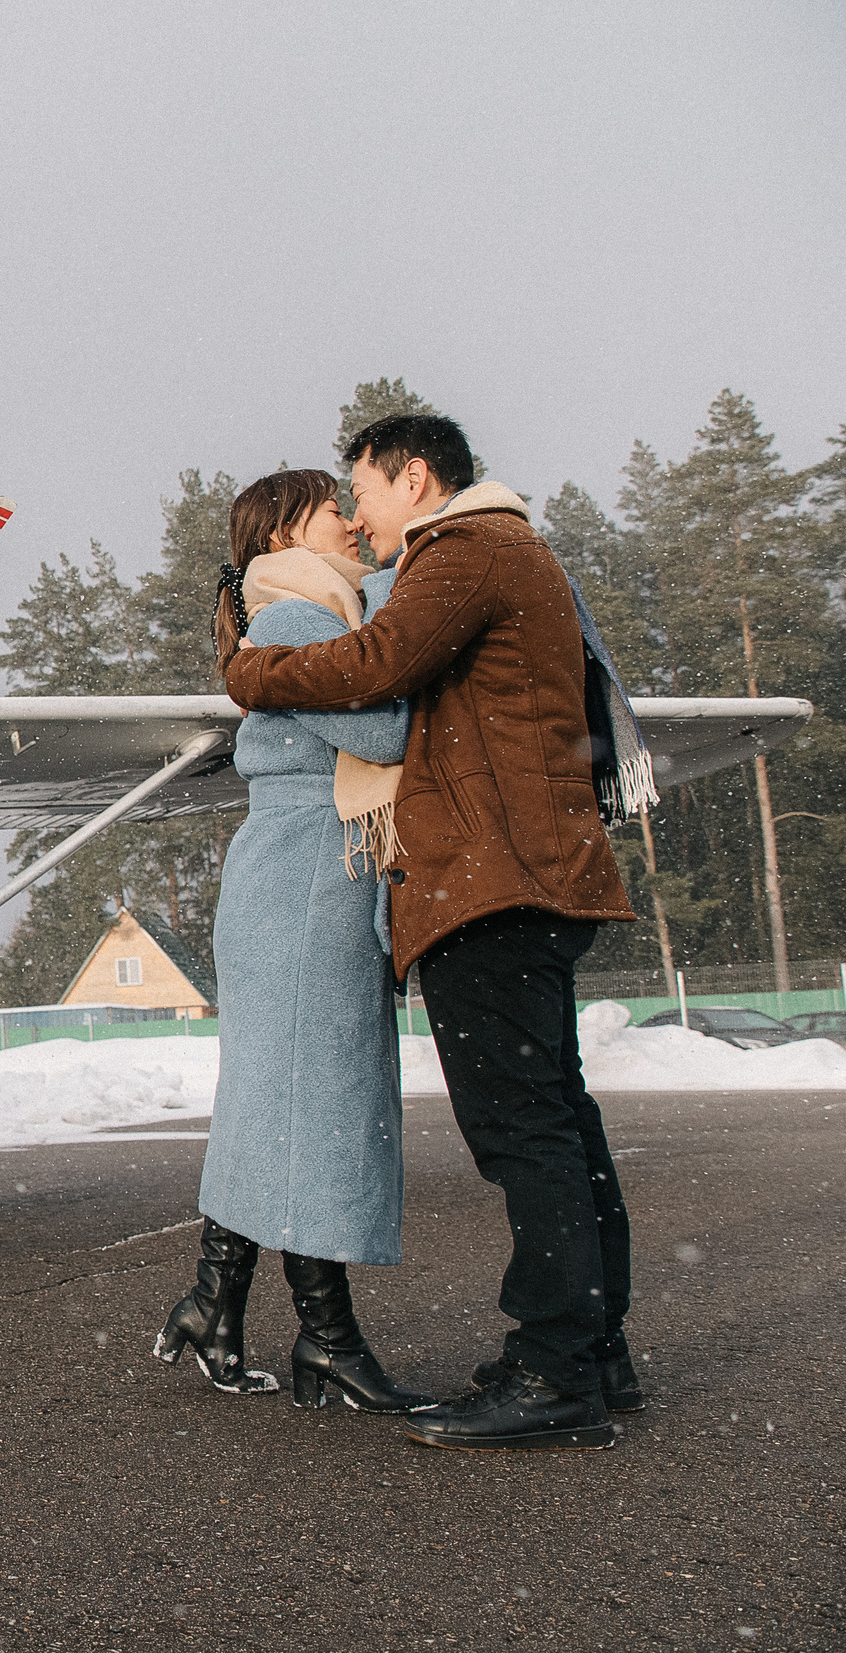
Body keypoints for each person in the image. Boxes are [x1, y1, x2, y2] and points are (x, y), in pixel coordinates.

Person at [220, 413, 648, 1453]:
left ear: (412, 477)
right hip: (525, 874)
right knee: (558, 1119)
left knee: (524, 1134)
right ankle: (592, 1354)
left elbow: (372, 667)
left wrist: (251, 672)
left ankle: (555, 1372)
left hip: (490, 883)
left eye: (362, 491)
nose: (358, 516)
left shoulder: (466, 549)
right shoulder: (508, 548)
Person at [153, 468, 432, 1415]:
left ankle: (219, 1304)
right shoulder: (299, 619)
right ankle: (324, 1336)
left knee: (286, 1102)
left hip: (306, 873)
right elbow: (385, 730)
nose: (352, 523)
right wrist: (408, 597)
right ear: (283, 535)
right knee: (314, 1103)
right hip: (310, 874)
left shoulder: (305, 615)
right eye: (332, 511)